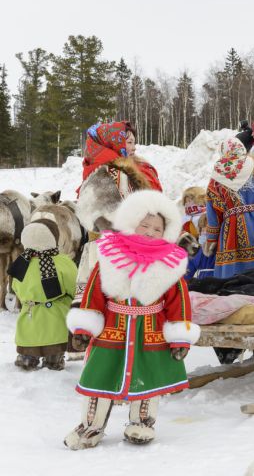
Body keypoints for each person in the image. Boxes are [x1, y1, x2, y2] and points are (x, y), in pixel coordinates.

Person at [64, 190, 200, 449]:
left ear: (167, 231)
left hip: (151, 332)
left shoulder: (171, 262)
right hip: (112, 331)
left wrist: (179, 338)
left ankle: (142, 423)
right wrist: (84, 326)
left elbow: (178, 304)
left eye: (157, 228)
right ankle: (90, 426)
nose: (150, 231)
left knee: (148, 378)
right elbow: (94, 293)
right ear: (130, 222)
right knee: (99, 378)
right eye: (144, 224)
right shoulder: (109, 255)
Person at [74, 121, 163, 310]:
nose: (134, 147)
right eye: (129, 142)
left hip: (99, 250)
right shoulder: (115, 175)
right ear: (114, 144)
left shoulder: (96, 171)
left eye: (134, 142)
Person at [201, 138, 254, 278]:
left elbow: (213, 212)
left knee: (234, 275)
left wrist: (212, 239)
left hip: (232, 228)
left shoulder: (218, 176)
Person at [9, 220, 77, 371]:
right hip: (56, 317)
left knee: (29, 339)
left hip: (29, 316)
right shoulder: (63, 262)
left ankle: (27, 357)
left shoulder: (21, 263)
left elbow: (16, 287)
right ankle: (53, 360)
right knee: (54, 343)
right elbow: (74, 287)